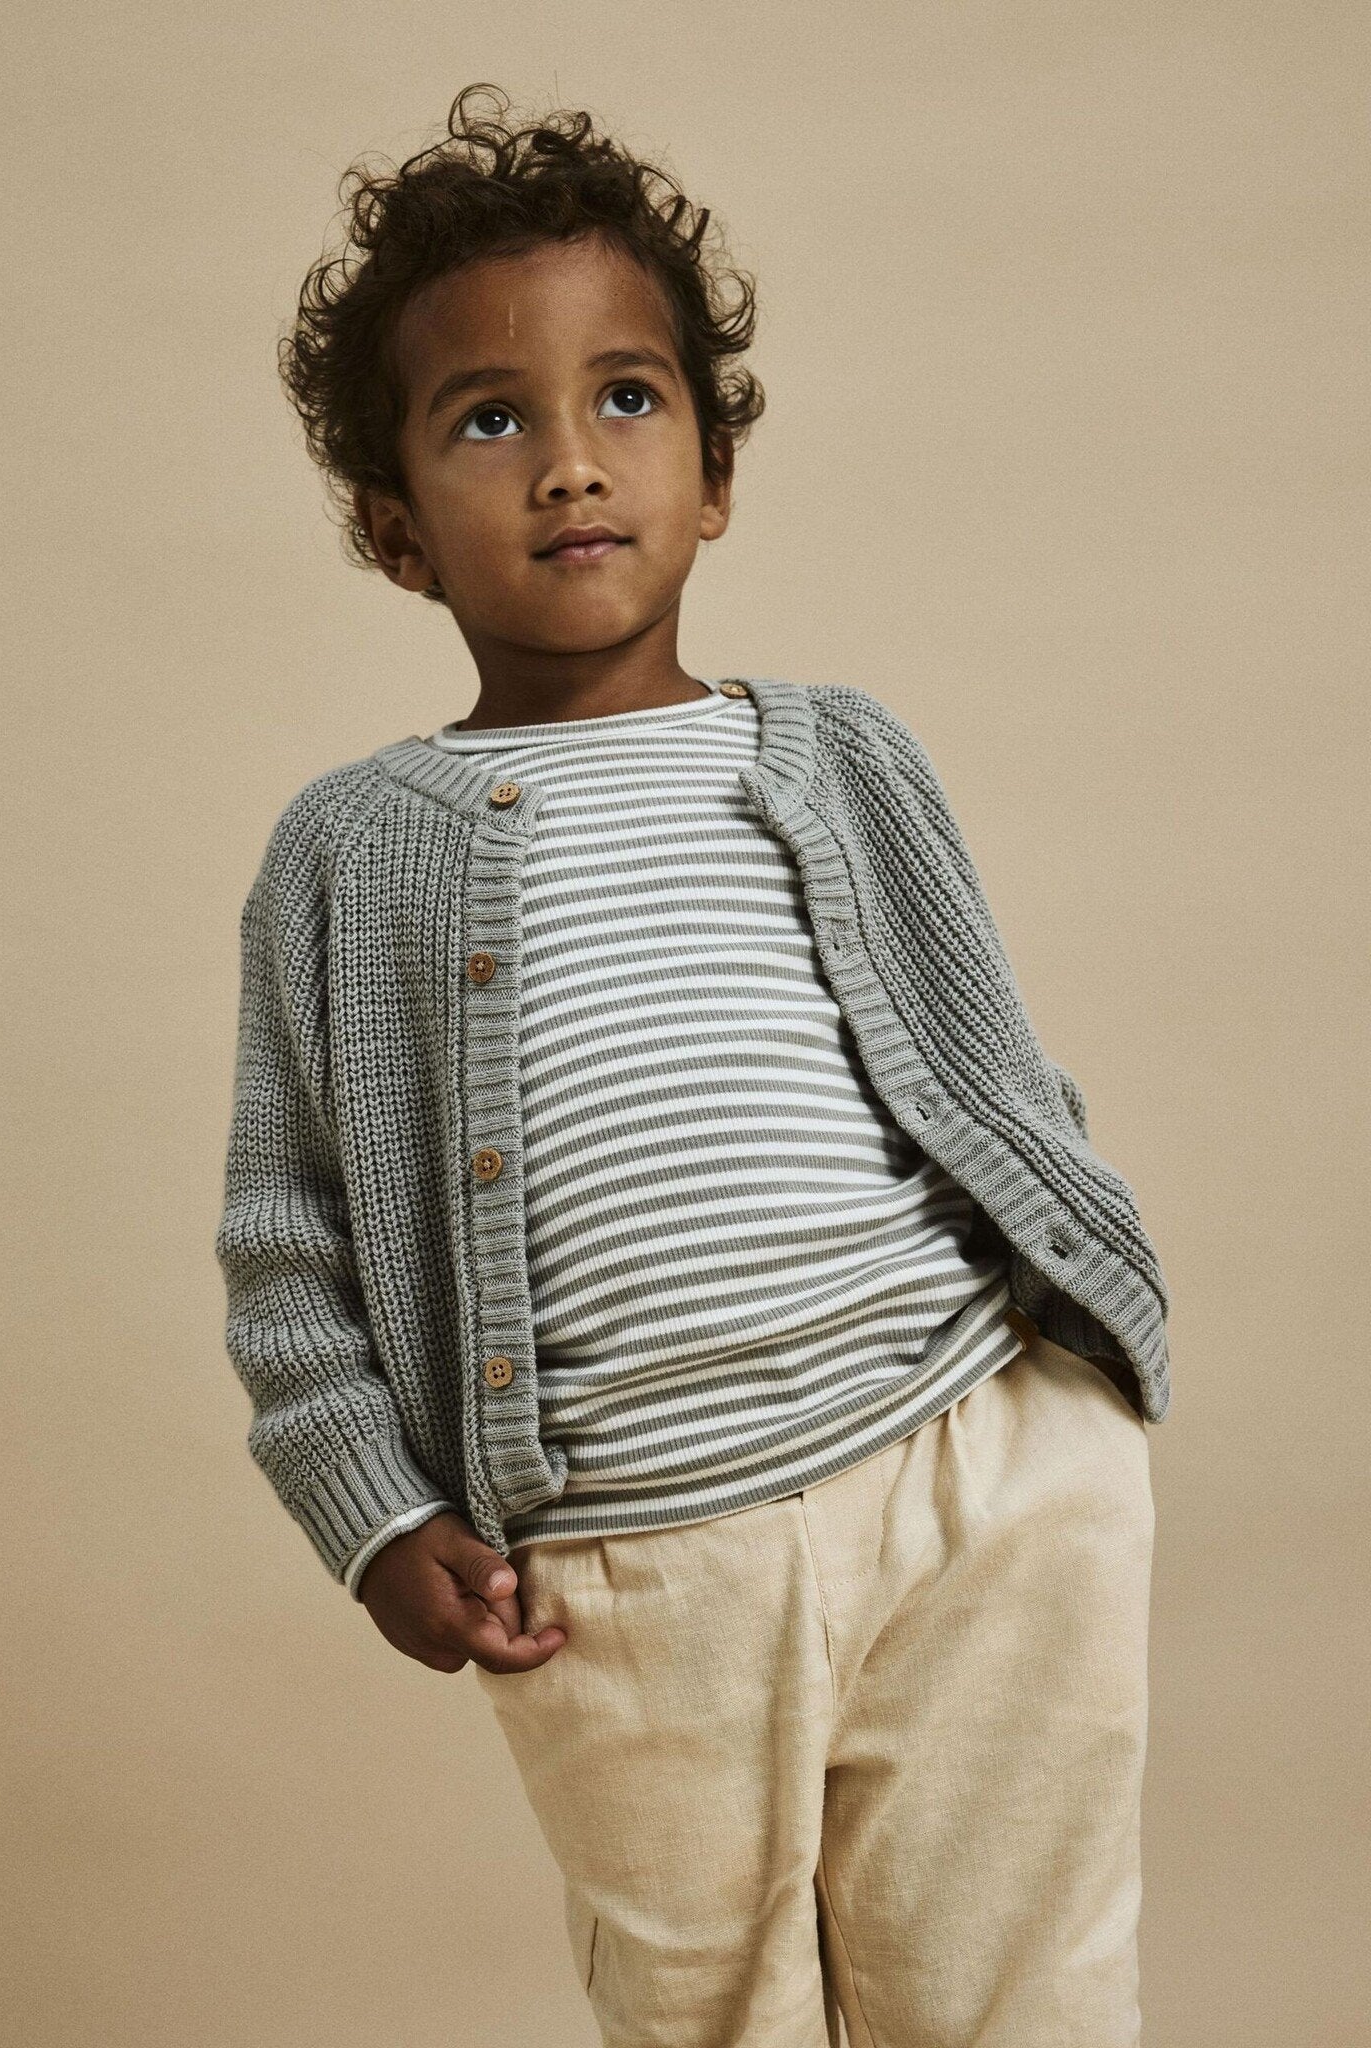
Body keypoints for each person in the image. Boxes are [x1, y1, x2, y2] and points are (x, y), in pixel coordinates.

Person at [214, 81, 1170, 2048]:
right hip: (633, 1561)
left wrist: (1077, 1362)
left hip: (971, 1468)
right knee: (704, 2010)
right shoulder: (353, 848)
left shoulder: (838, 752)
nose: (572, 462)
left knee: (1020, 1992)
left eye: (628, 398)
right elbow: (286, 1237)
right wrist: (371, 1511)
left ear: (714, 472)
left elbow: (994, 1074)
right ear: (396, 530)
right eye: (490, 419)